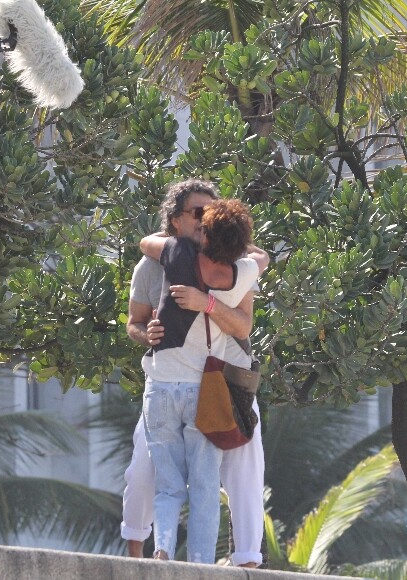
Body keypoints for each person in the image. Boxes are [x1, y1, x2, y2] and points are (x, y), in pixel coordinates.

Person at [122, 180, 267, 567]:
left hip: (222, 385)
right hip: (176, 383)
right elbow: (133, 323)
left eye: (212, 212)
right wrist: (144, 332)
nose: (206, 221)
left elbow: (242, 326)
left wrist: (206, 304)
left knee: (245, 471)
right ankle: (149, 557)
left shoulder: (230, 259)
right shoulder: (153, 268)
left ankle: (244, 561)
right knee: (146, 473)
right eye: (197, 213)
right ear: (175, 220)